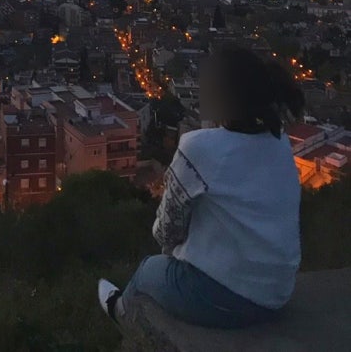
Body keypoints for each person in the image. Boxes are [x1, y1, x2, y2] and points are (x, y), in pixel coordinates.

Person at [99, 45, 304, 329]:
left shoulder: (200, 147)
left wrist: (180, 252)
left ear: (222, 96)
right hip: (277, 295)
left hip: (225, 299)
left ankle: (119, 311)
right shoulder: (279, 143)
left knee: (148, 269)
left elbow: (166, 231)